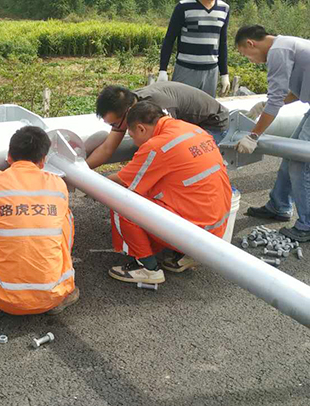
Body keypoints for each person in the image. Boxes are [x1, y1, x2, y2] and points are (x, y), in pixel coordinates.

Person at [234, 25, 310, 242]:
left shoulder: (278, 52)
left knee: (303, 162)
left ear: (251, 43)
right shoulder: (284, 43)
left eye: (246, 55)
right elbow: (291, 93)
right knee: (292, 154)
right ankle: (279, 206)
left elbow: (276, 101)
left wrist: (253, 135)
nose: (250, 60)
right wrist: (264, 104)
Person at [106, 101, 231, 285]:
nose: (134, 141)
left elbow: (123, 181)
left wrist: (88, 183)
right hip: (216, 227)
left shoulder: (158, 146)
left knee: (121, 202)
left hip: (194, 232)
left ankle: (147, 269)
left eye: (132, 136)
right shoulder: (192, 129)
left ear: (140, 128)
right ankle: (185, 256)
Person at [0, 126, 77, 318]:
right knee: (64, 215)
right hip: (54, 296)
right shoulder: (58, 184)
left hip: (1, 297)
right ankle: (62, 280)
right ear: (42, 161)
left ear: (9, 156)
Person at [87, 82, 230, 169]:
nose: (116, 127)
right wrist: (82, 171)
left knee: (181, 165)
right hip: (189, 121)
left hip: (213, 122)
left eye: (115, 124)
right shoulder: (127, 107)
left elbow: (167, 149)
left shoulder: (158, 109)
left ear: (128, 111)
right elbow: (107, 149)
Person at [158, 0, 231, 97]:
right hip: (186, 70)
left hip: (211, 73)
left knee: (207, 109)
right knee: (182, 108)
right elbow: (169, 39)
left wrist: (224, 74)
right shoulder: (183, 6)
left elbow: (222, 42)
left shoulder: (224, 8)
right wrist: (163, 70)